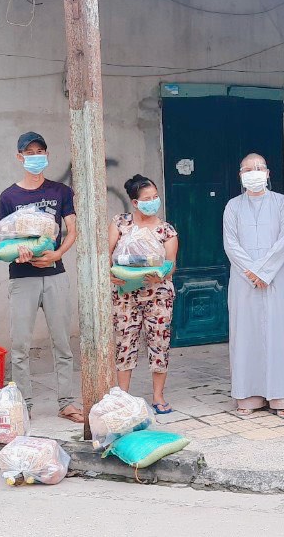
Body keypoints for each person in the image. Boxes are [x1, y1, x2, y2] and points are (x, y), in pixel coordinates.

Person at [0, 132, 84, 424]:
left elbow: (72, 230)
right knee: (20, 345)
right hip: (22, 278)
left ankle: (67, 402)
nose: (35, 156)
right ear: (19, 157)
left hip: (55, 275)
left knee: (62, 343)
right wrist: (17, 252)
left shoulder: (60, 192)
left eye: (40, 151)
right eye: (29, 152)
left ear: (47, 155)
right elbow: (3, 237)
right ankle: (24, 403)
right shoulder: (9, 196)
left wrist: (57, 254)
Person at [223, 153, 284, 418]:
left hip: (275, 278)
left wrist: (264, 272)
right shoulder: (232, 206)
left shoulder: (282, 203)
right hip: (244, 280)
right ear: (241, 176)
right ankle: (248, 393)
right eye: (247, 169)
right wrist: (253, 272)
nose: (254, 172)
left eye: (259, 168)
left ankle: (280, 394)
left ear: (268, 173)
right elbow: (230, 244)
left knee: (278, 333)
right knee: (245, 334)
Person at [108, 174, 179, 415]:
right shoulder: (120, 224)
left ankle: (158, 396)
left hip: (158, 295)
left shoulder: (166, 230)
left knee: (159, 343)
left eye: (156, 197)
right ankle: (123, 397)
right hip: (125, 294)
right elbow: (107, 256)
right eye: (147, 198)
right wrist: (112, 275)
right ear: (135, 202)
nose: (153, 202)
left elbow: (171, 264)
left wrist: (161, 275)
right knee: (125, 343)